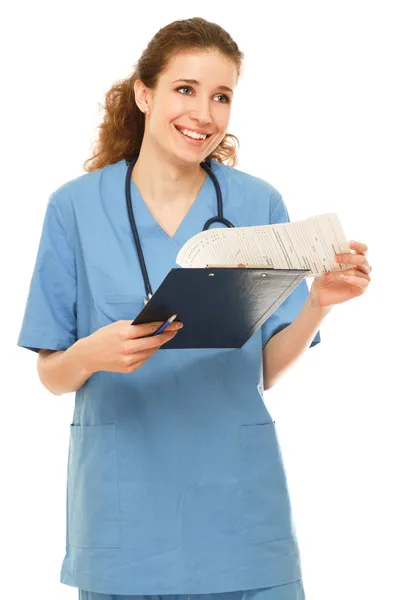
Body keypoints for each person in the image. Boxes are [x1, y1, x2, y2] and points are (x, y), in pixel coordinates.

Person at [16, 16, 372, 600]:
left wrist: (319, 306)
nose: (203, 113)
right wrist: (90, 353)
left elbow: (266, 368)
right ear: (144, 93)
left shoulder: (257, 201)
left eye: (221, 96)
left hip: (239, 516)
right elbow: (52, 374)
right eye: (186, 89)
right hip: (124, 519)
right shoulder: (75, 208)